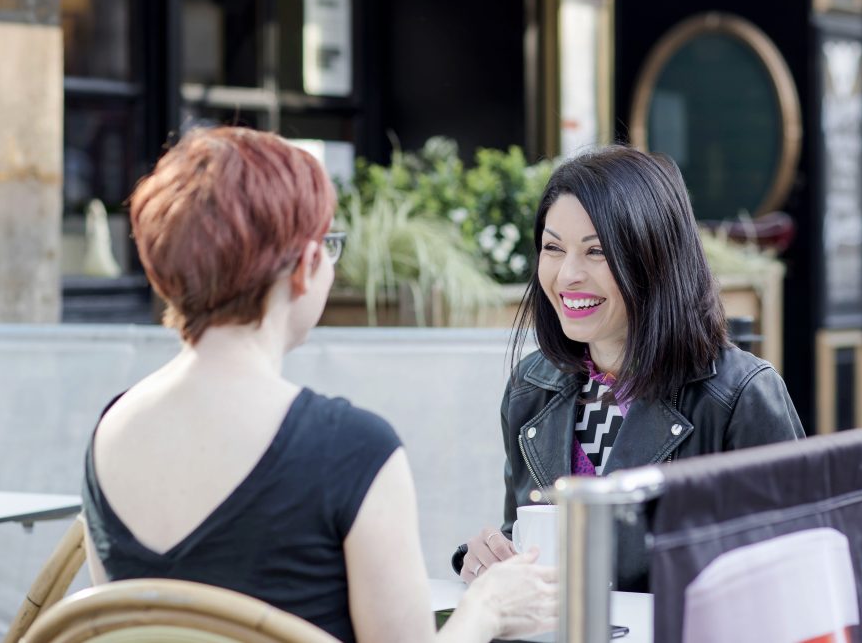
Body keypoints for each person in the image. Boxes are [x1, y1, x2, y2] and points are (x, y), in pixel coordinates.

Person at [80, 127, 557, 643]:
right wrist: (486, 608)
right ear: (306, 267)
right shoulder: (352, 449)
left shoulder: (110, 431)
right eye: (328, 245)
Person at [453, 145, 805, 592]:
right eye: (553, 248)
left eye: (597, 251)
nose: (567, 276)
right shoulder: (531, 386)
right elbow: (529, 536)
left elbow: (791, 572)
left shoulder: (739, 396)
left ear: (654, 257)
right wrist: (490, 558)